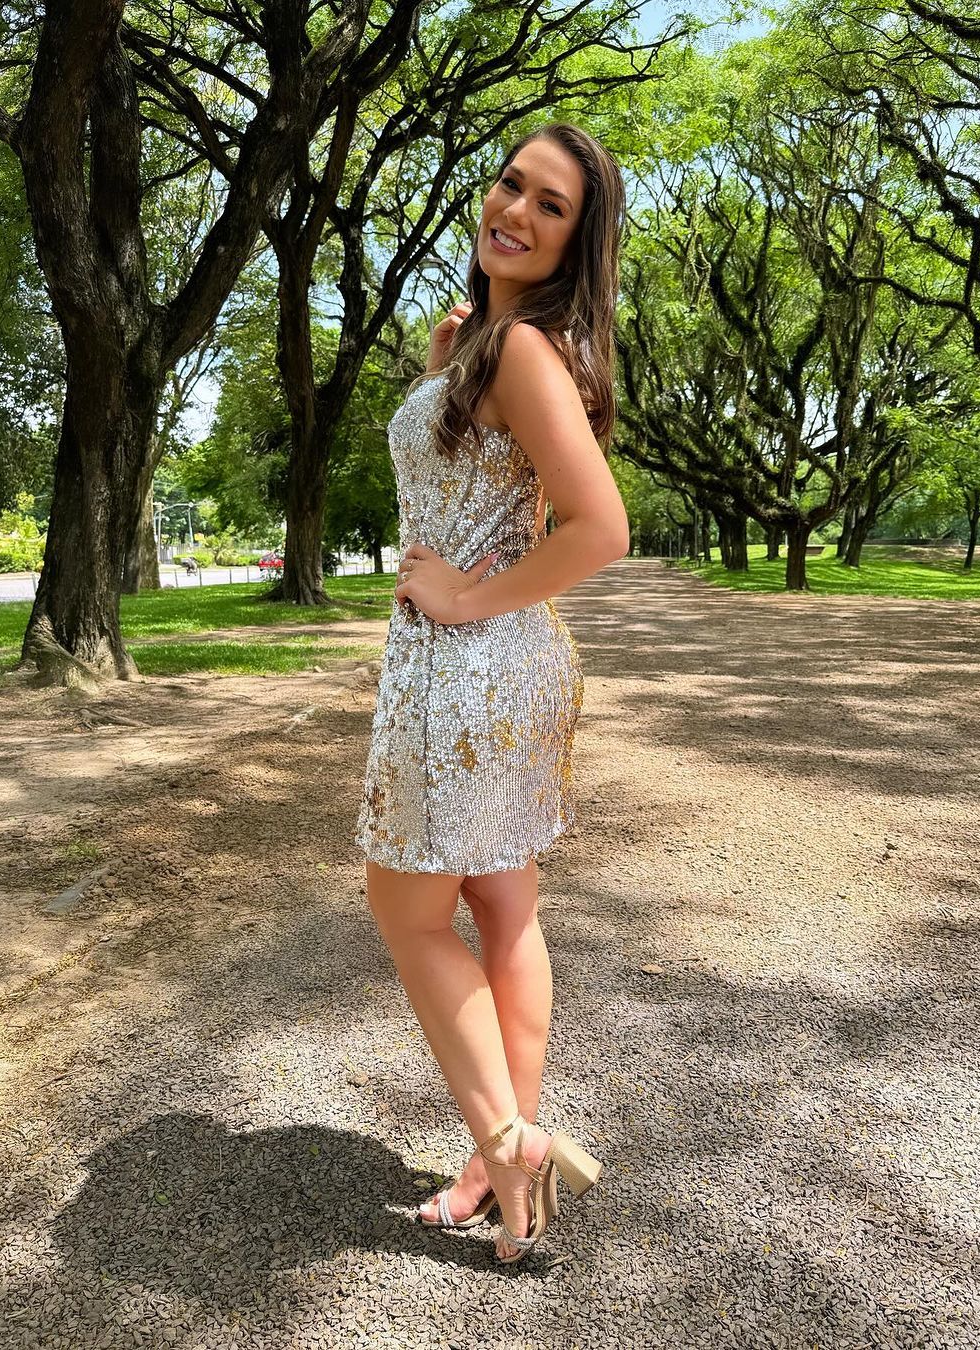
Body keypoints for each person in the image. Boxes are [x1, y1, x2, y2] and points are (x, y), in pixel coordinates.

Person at [354, 122, 630, 1264]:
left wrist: (464, 600)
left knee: (409, 913)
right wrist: (441, 374)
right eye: (511, 183)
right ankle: (495, 1162)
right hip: (504, 667)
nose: (514, 210)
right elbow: (477, 481)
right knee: (505, 909)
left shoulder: (521, 348)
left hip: (464, 667)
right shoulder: (500, 343)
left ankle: (511, 1144)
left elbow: (601, 528)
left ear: (576, 241)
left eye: (549, 205)